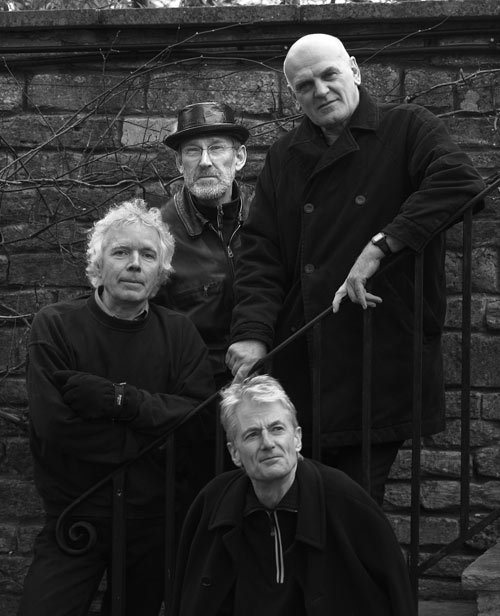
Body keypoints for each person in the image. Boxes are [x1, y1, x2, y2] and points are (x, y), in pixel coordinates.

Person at [225, 33, 485, 504]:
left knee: (354, 504)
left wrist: (381, 246)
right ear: (295, 96)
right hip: (304, 359)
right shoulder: (284, 155)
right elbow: (260, 253)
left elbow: (460, 182)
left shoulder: (407, 126)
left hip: (379, 356)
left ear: (355, 71)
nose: (321, 91)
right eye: (305, 86)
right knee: (305, 505)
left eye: (329, 75)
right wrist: (253, 333)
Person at [19, 199, 214, 616]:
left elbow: (198, 420)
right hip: (75, 514)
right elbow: (55, 427)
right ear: (98, 262)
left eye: (148, 255)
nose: (135, 264)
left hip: (151, 524)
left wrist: (122, 400)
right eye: (121, 252)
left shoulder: (179, 333)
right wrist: (152, 437)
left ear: (161, 270)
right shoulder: (56, 325)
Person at [172, 375, 416, 616]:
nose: (268, 443)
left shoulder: (345, 500)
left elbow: (396, 591)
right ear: (235, 453)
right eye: (252, 434)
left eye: (277, 429)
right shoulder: (213, 504)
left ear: (297, 438)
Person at [156, 101, 250, 389]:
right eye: (193, 151)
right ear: (179, 163)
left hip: (268, 384)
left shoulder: (268, 216)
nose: (205, 161)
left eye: (217, 148)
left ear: (239, 157)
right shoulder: (157, 233)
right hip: (196, 393)